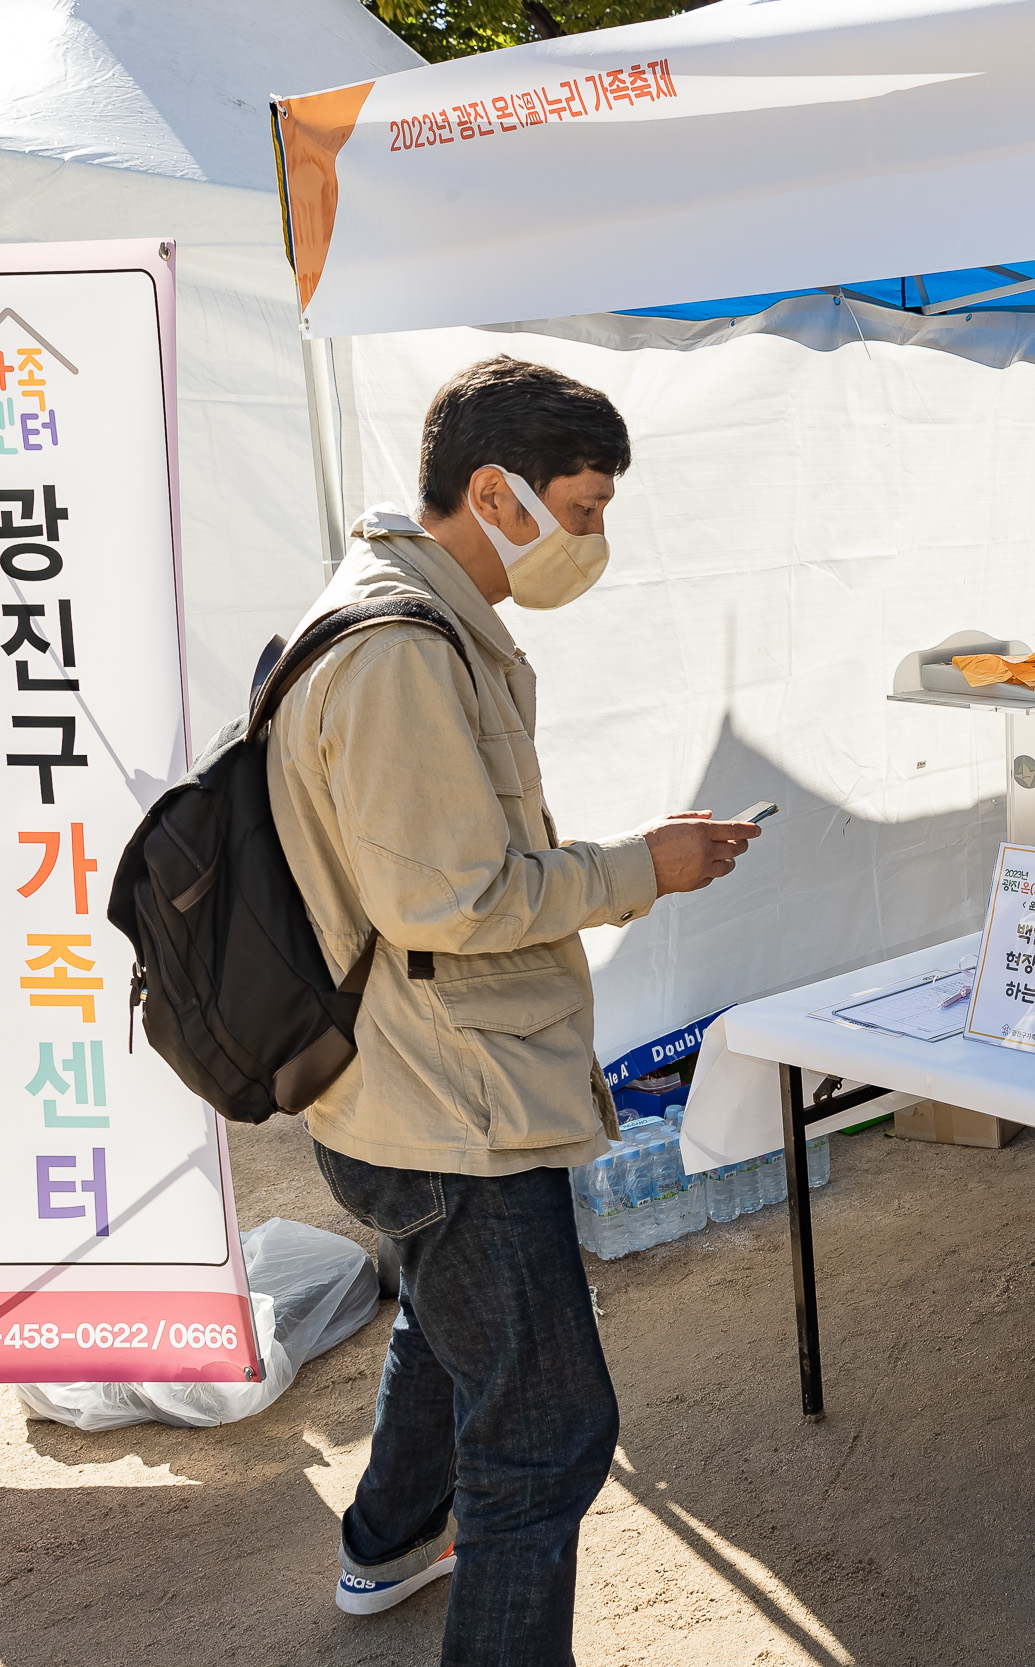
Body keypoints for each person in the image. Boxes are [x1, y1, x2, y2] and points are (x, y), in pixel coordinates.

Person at [266, 356, 762, 1660]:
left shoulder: (402, 619)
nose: (594, 539)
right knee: (546, 1423)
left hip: (405, 1084)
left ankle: (385, 1541)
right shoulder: (398, 652)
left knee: (451, 1317)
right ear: (496, 492)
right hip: (448, 1106)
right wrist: (640, 867)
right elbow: (449, 896)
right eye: (583, 509)